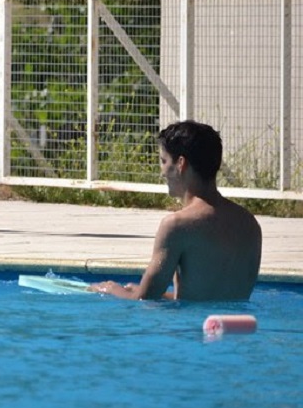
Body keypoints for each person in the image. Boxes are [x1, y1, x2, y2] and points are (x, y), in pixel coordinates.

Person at [91, 121, 262, 302]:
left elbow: (145, 298)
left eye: (164, 161)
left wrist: (111, 289)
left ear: (181, 164)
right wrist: (163, 295)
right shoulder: (249, 223)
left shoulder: (177, 225)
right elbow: (214, 297)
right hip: (238, 327)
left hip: (190, 329)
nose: (162, 172)